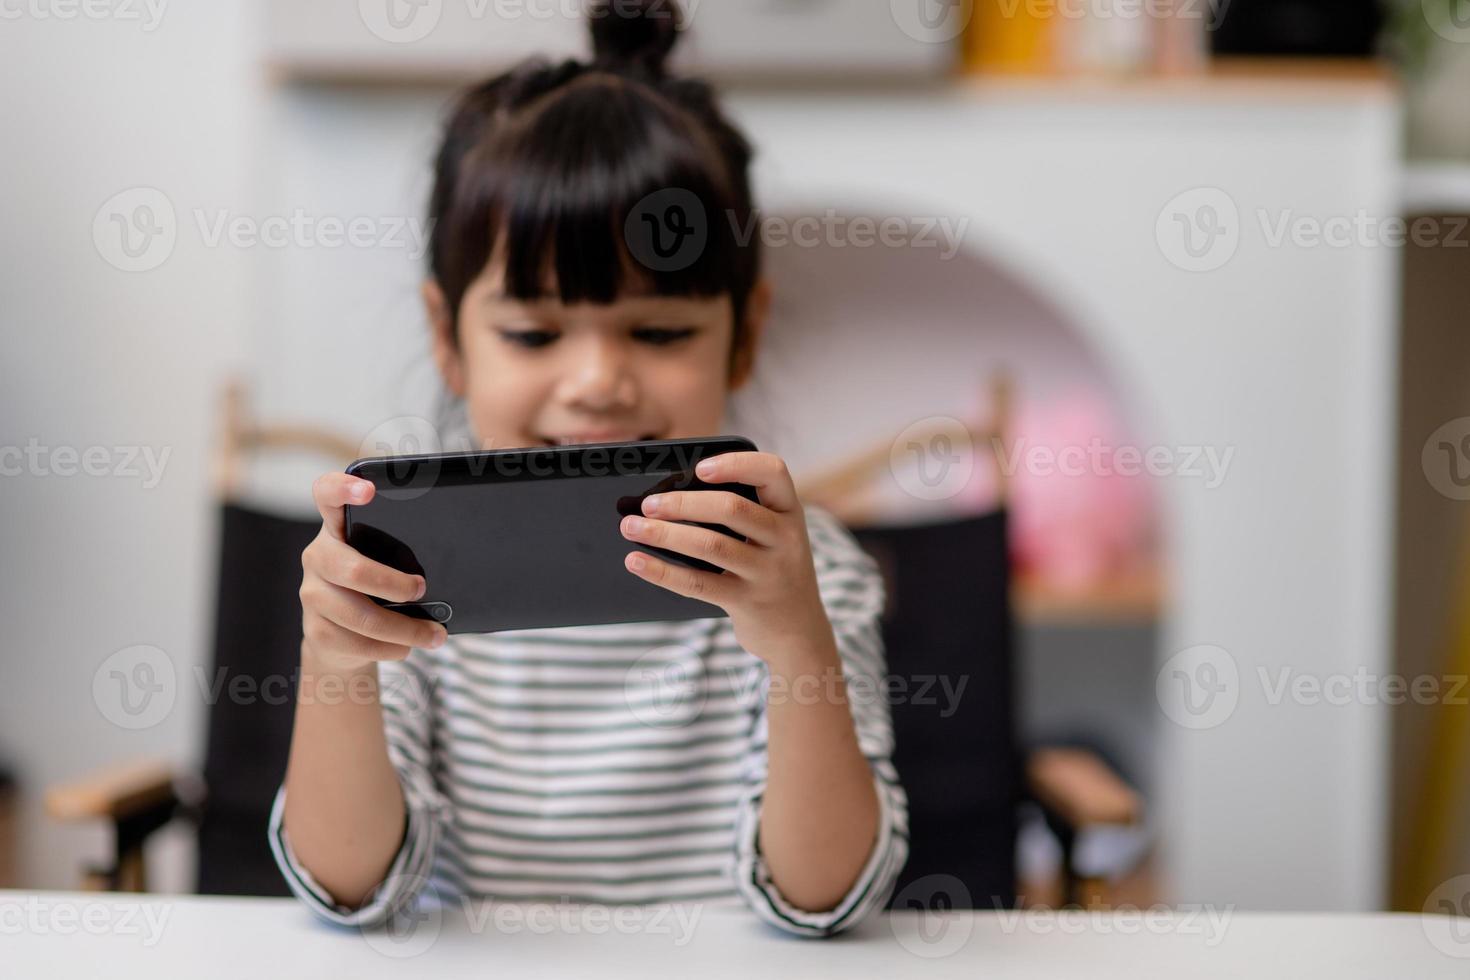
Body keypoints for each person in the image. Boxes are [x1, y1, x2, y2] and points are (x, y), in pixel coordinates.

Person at [269, 0, 907, 938]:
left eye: (659, 331)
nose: (599, 382)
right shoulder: (403, 569)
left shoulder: (804, 569)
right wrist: (335, 660)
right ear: (449, 337)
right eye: (533, 332)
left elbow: (826, 897)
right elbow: (348, 885)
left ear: (744, 336)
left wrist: (796, 640)